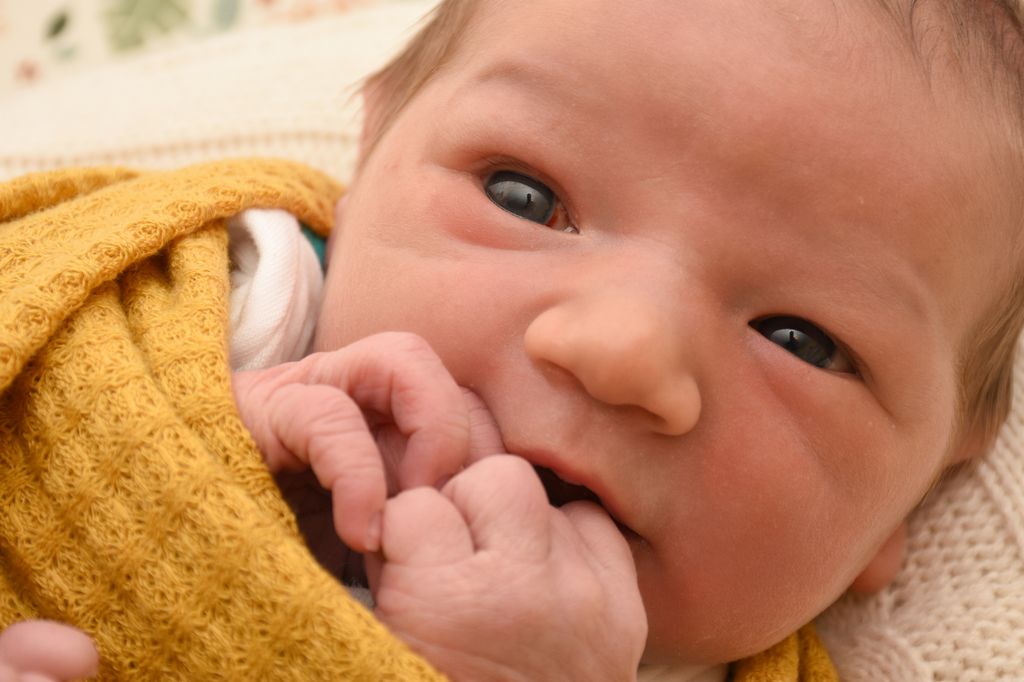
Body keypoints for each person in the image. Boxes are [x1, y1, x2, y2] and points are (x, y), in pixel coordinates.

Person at [2, 0, 1023, 679]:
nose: (624, 352)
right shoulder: (242, 299)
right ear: (369, 159)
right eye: (524, 197)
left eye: (799, 338)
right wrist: (194, 418)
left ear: (910, 499)